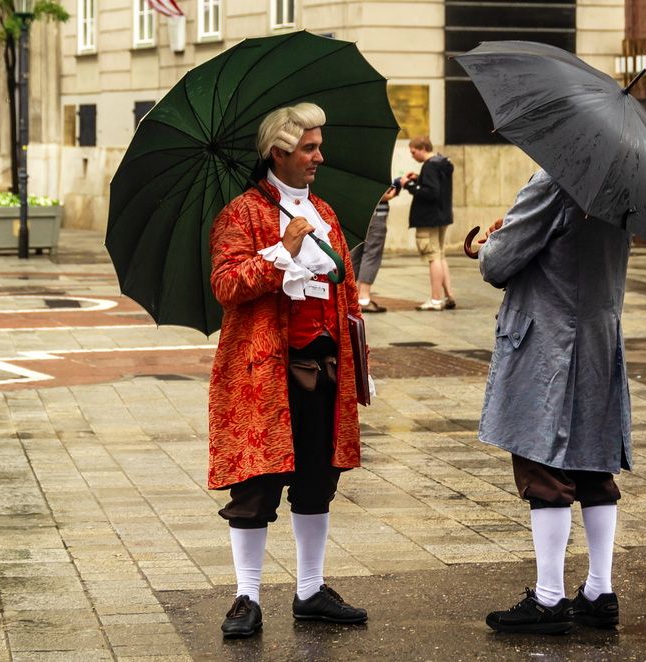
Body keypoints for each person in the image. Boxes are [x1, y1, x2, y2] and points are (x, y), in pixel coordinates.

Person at [208, 102, 367, 639]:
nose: (319, 156)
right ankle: (246, 598)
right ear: (279, 153)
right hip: (264, 374)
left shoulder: (325, 211)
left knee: (318, 480)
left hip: (325, 369)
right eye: (309, 148)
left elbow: (345, 292)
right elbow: (227, 286)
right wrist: (284, 249)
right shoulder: (243, 214)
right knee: (257, 483)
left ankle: (310, 590)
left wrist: (358, 359)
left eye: (319, 146)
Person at [477, 170, 632, 635]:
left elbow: (497, 264)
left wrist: (490, 242)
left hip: (548, 343)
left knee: (542, 465)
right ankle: (599, 591)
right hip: (598, 339)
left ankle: (548, 598)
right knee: (593, 465)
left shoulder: (554, 180)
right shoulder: (618, 184)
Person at [399, 136, 456, 311]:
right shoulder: (442, 162)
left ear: (423, 147)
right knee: (440, 255)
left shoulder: (430, 165)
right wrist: (418, 179)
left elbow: (431, 192)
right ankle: (448, 296)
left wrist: (408, 184)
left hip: (429, 218)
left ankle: (435, 299)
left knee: (433, 257)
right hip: (442, 215)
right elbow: (435, 186)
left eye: (413, 152)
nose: (412, 156)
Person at [351, 182, 398, 313]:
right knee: (372, 254)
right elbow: (372, 192)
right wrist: (387, 195)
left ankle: (353, 295)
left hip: (361, 214)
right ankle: (364, 298)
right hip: (376, 216)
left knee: (357, 253)